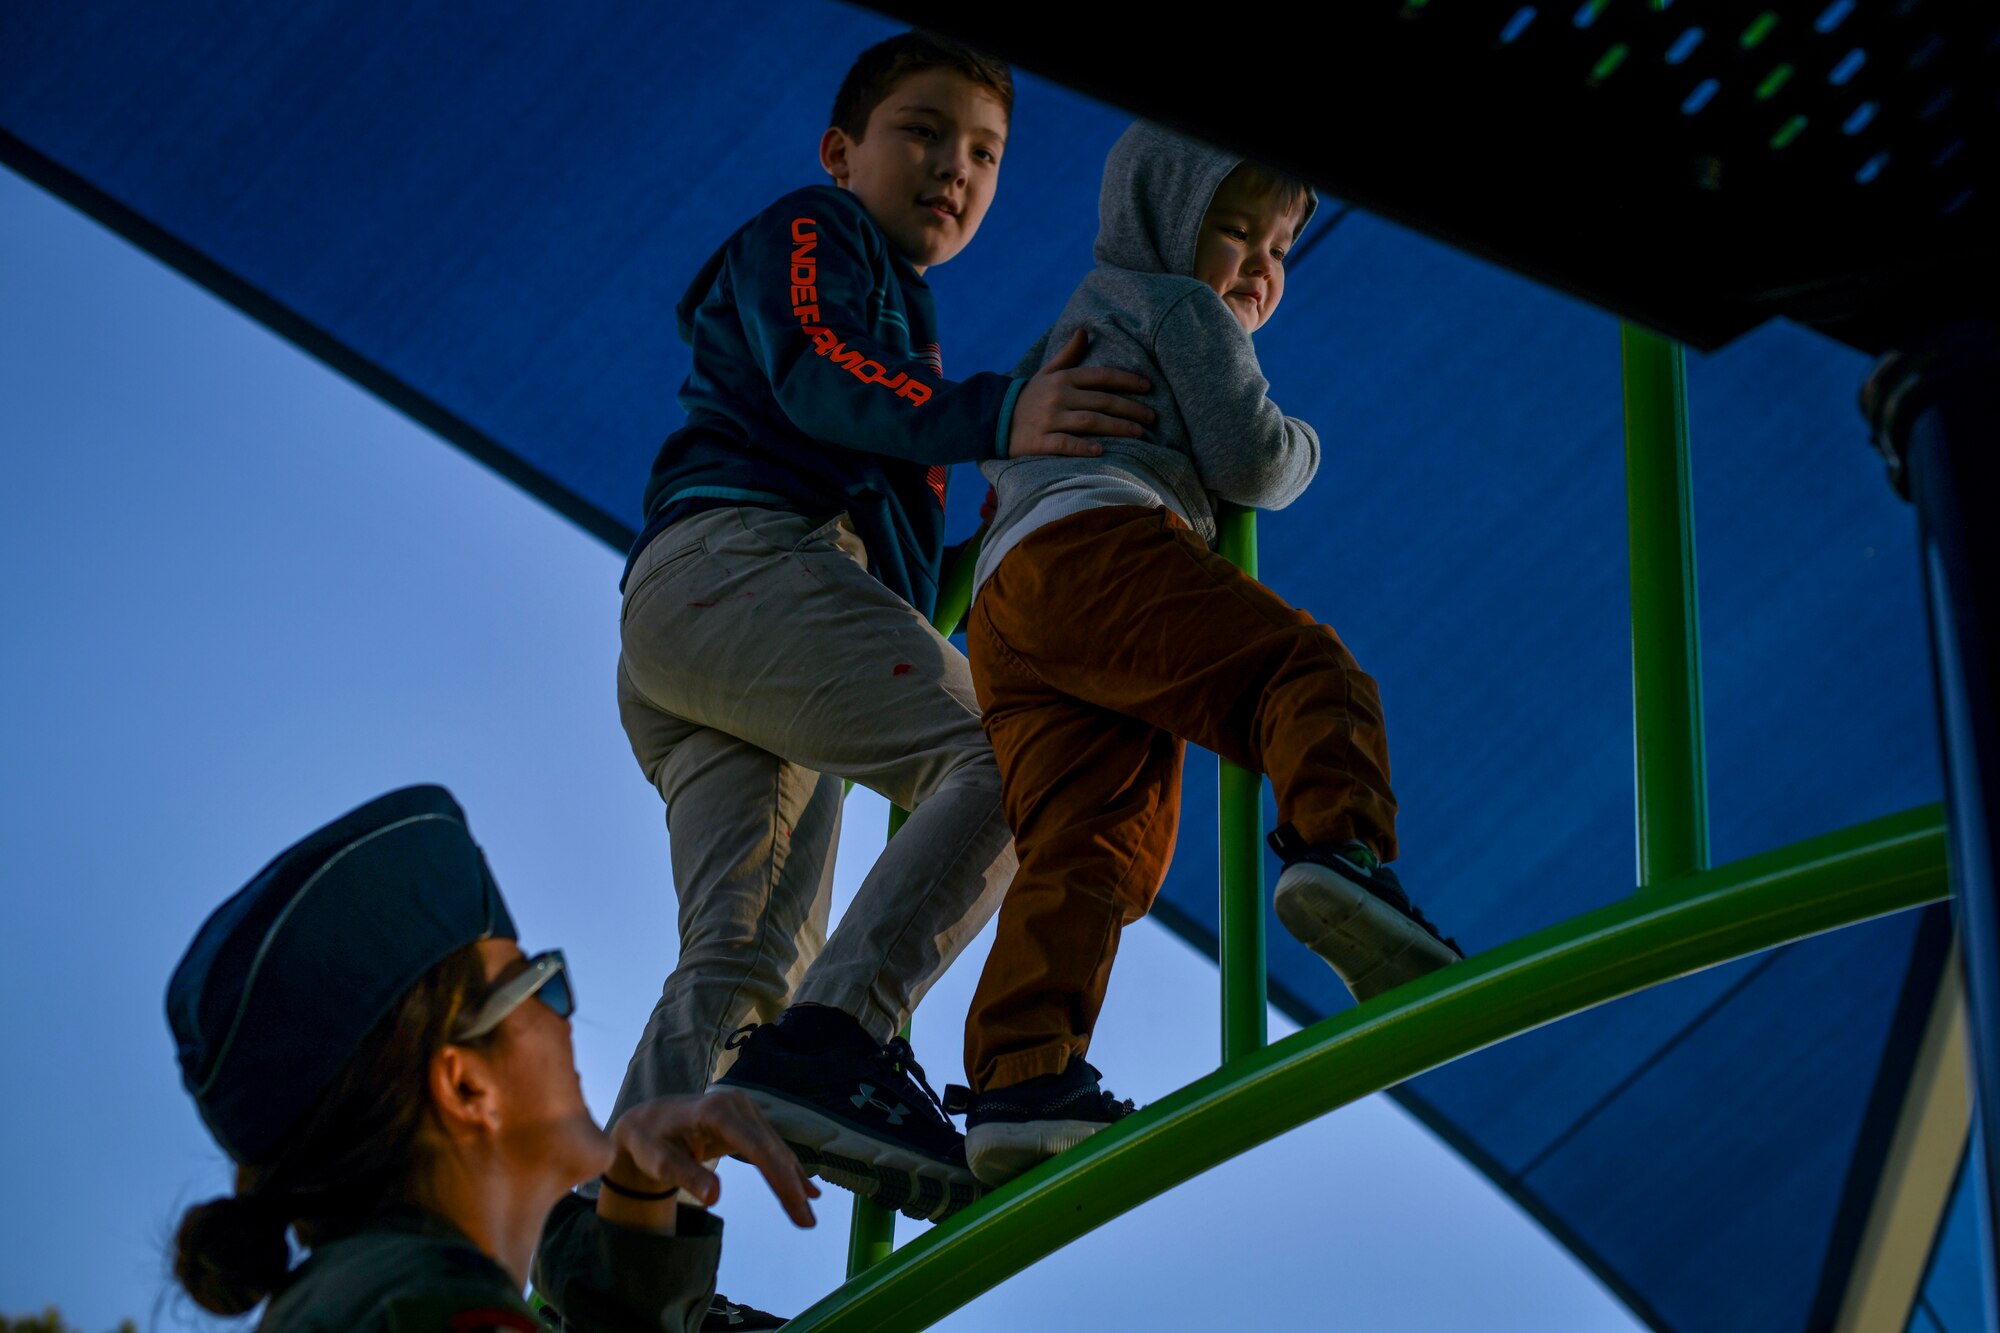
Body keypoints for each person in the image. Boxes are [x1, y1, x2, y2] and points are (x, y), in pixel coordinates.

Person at [603, 29, 1154, 1231]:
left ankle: (613, 1255)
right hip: (742, 565)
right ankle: (840, 1040)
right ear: (841, 151)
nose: (952, 166)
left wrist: (1020, 510)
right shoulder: (815, 231)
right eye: (922, 132)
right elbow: (820, 370)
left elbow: (907, 575)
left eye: (984, 153)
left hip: (733, 633)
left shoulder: (905, 337)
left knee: (741, 966)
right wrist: (1005, 412)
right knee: (1012, 758)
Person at [944, 123, 1464, 1186]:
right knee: (1297, 670)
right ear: (1163, 216)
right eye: (1235, 233)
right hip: (1094, 547)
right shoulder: (1172, 302)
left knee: (1091, 844)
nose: (1259, 269)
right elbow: (1251, 458)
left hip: (1008, 606)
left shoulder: (1075, 325)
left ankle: (1021, 1077)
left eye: (1276, 251)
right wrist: (1304, 442)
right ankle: (1339, 855)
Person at [165, 784, 819, 1332]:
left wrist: (637, 1206)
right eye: (540, 986)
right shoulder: (427, 1305)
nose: (566, 1014)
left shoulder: (371, 1294)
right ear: (465, 1084)